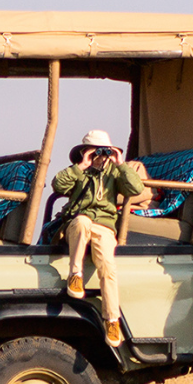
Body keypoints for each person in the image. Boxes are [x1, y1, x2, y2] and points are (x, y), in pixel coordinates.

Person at [48, 130, 146, 347]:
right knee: (82, 221)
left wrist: (120, 164)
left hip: (104, 226)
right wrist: (82, 165)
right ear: (85, 152)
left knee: (108, 268)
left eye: (103, 152)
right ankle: (75, 275)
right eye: (95, 152)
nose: (100, 156)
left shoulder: (114, 172)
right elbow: (57, 185)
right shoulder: (80, 172)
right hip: (79, 222)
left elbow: (136, 189)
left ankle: (112, 320)